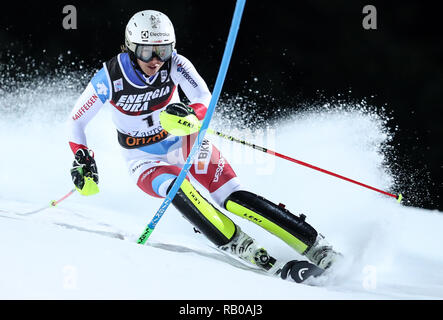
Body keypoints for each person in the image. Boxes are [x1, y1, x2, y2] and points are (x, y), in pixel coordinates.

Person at [68, 10, 340, 282]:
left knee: (234, 198)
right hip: (143, 158)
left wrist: (192, 115)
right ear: (130, 48)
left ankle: (317, 246)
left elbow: (203, 97)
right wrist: (82, 157)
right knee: (177, 188)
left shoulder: (175, 63)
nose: (155, 60)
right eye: (147, 51)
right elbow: (76, 120)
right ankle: (243, 246)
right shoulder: (111, 76)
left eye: (162, 51)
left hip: (184, 141)